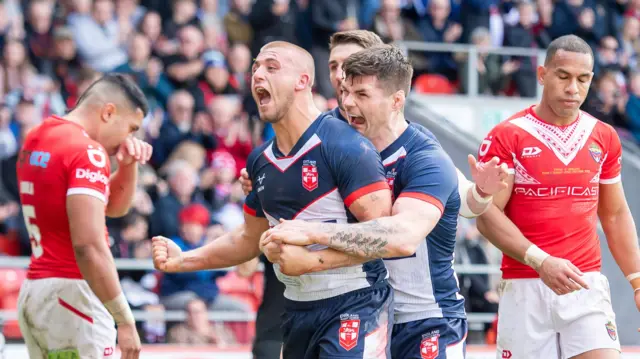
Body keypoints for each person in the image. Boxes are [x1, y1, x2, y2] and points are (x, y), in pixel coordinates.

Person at [258, 45, 508, 359]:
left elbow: (402, 237)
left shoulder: (425, 160)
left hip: (423, 318)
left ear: (396, 101)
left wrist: (312, 234)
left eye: (362, 95)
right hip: (364, 310)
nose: (348, 103)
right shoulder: (338, 147)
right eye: (346, 92)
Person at [152, 41, 395, 359]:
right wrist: (184, 259)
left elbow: (387, 237)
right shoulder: (259, 161)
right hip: (296, 308)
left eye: (271, 67)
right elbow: (248, 239)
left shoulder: (345, 146)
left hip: (355, 304)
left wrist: (313, 259)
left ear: (303, 81)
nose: (257, 75)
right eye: (254, 68)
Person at [475, 34, 640, 359]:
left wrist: (637, 279)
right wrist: (542, 261)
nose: (572, 88)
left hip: (585, 283)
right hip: (525, 286)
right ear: (542, 74)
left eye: (582, 79)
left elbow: (615, 215)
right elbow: (488, 217)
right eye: (563, 76)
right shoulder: (508, 135)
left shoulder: (604, 137)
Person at [16, 73, 153, 359]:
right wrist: (124, 319)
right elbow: (88, 245)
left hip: (38, 291)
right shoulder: (87, 152)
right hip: (75, 296)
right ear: (108, 112)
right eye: (131, 128)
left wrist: (127, 166)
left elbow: (111, 208)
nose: (130, 138)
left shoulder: (38, 135)